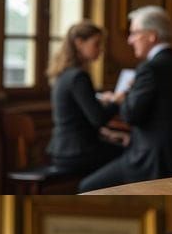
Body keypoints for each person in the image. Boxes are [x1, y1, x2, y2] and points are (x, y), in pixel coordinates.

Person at [79, 6, 172, 191]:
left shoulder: (149, 68)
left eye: (134, 33)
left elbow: (130, 115)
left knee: (87, 188)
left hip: (147, 159)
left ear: (151, 36)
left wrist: (124, 96)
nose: (129, 40)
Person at [45, 21, 124, 179]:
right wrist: (117, 101)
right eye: (96, 44)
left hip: (61, 150)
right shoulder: (79, 76)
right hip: (77, 152)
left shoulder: (64, 74)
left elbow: (79, 117)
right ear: (79, 43)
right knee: (131, 156)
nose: (101, 49)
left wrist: (107, 134)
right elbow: (98, 119)